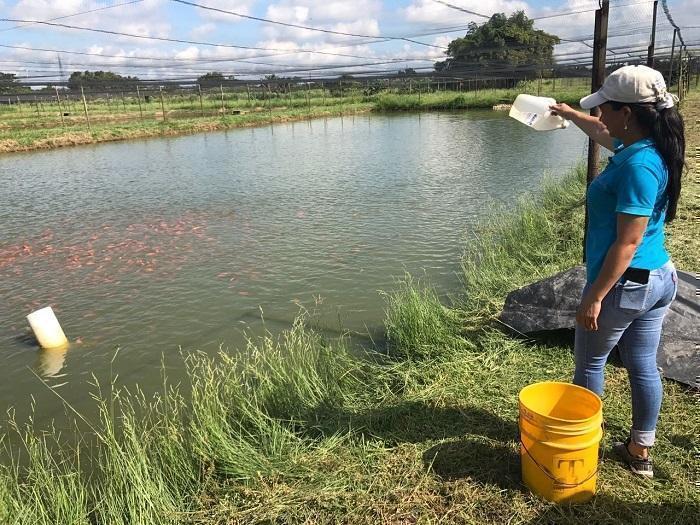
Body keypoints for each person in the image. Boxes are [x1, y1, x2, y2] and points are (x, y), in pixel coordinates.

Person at [550, 65, 685, 479]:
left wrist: (593, 297)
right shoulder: (645, 145)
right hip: (657, 276)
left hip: (627, 283)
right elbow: (601, 132)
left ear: (627, 113)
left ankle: (583, 440)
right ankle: (639, 450)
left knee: (590, 362)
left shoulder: (637, 166)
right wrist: (571, 115)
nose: (600, 116)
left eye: (605, 109)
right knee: (643, 363)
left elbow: (626, 243)